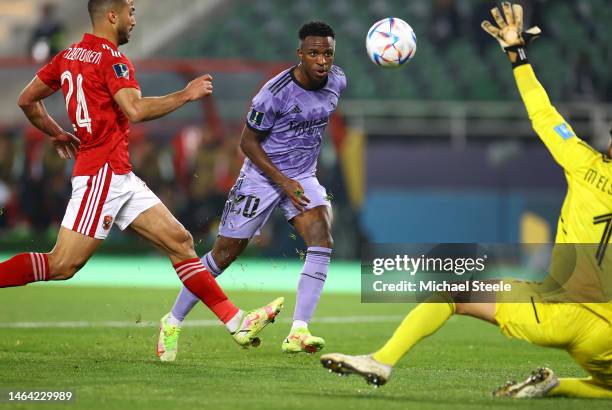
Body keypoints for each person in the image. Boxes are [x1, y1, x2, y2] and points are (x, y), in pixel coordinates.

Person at [320, 2, 612, 399]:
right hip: (607, 334)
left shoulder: (584, 162)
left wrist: (517, 54)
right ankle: (555, 388)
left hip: (559, 310)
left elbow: (543, 115)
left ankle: (382, 359)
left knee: (452, 291)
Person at [0, 0, 283, 349]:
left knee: (180, 242)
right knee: (62, 264)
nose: (134, 20)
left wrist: (56, 132)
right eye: (131, 12)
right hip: (102, 175)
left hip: (118, 174)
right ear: (112, 15)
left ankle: (236, 321)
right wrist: (186, 94)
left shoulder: (68, 55)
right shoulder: (113, 59)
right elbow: (134, 110)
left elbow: (28, 100)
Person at [156, 21, 347, 361]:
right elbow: (247, 141)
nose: (322, 61)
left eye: (328, 53)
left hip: (302, 175)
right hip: (261, 177)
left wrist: (295, 178)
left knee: (322, 239)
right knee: (223, 256)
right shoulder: (274, 93)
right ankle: (172, 321)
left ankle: (298, 331)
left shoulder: (337, 82)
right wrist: (281, 179)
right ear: (300, 54)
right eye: (314, 53)